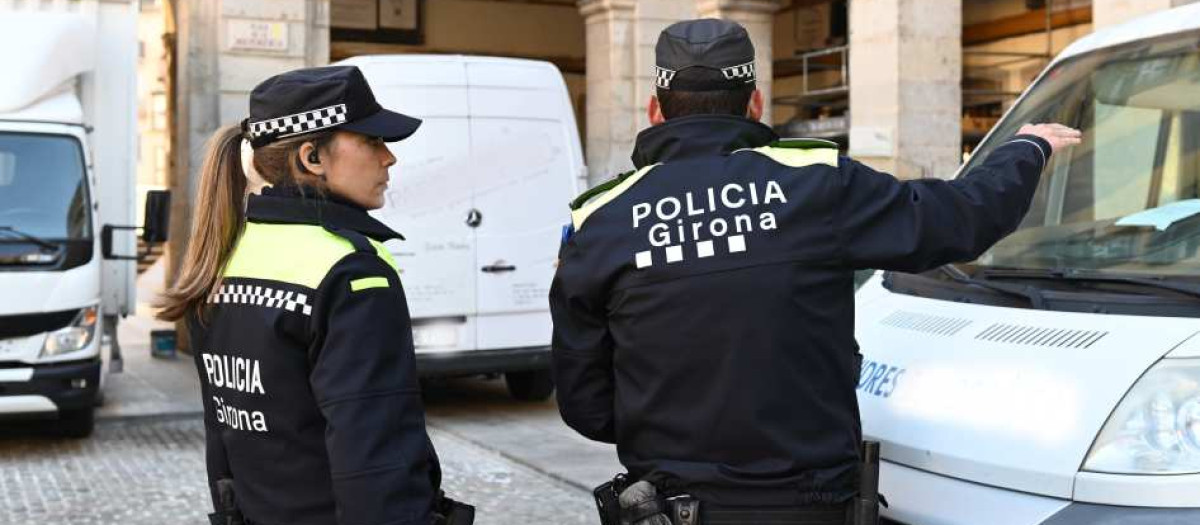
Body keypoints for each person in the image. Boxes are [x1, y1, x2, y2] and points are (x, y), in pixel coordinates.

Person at [549, 18, 1081, 525]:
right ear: (755, 103)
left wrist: (674, 430)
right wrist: (1026, 148)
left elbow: (586, 404)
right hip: (810, 501)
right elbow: (960, 219)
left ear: (654, 109)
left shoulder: (601, 221)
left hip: (665, 502)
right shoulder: (817, 185)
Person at [158, 65, 471, 525]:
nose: (389, 158)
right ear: (312, 158)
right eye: (371, 141)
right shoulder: (352, 270)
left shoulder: (224, 258)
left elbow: (223, 436)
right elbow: (375, 460)